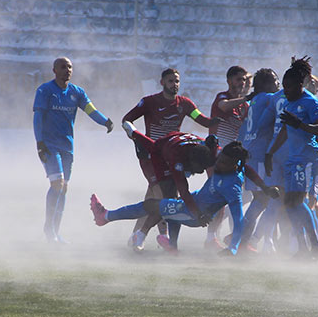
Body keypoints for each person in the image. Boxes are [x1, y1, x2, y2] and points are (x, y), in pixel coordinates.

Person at [91, 142, 279, 255]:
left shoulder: (232, 186)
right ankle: (171, 246)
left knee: (151, 206)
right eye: (219, 159)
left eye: (222, 162)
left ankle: (106, 216)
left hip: (193, 215)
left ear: (233, 165)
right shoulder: (237, 168)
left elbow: (238, 219)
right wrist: (265, 187)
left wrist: (233, 248)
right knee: (165, 206)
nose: (217, 164)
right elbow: (248, 170)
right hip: (190, 205)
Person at [121, 68, 218, 247]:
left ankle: (136, 236)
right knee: (164, 194)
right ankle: (163, 236)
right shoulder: (149, 102)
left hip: (172, 156)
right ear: (162, 83)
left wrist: (215, 120)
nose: (175, 85)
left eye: (177, 81)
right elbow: (126, 120)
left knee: (153, 196)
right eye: (171, 81)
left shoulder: (185, 104)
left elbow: (203, 120)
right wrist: (135, 136)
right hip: (151, 155)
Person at [33, 56, 113, 244]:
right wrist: (40, 143)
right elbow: (37, 118)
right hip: (49, 145)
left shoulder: (77, 92)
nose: (67, 70)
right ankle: (49, 229)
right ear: (54, 70)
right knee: (57, 183)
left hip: (68, 146)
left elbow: (91, 110)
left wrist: (105, 121)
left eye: (69, 67)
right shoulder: (45, 90)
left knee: (64, 188)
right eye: (63, 67)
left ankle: (56, 232)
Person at [106, 122, 219, 251]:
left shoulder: (209, 149)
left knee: (159, 200)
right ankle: (148, 236)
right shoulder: (176, 160)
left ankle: (134, 133)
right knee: (170, 203)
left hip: (177, 141)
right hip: (160, 154)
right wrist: (198, 214)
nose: (199, 172)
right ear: (190, 162)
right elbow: (184, 192)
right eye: (198, 168)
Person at [265, 57, 318, 260]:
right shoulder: (290, 101)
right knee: (290, 203)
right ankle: (303, 249)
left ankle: (316, 248)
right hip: (293, 158)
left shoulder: (310, 102)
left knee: (296, 201)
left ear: (300, 85)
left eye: (289, 87)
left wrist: (300, 124)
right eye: (284, 87)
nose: (286, 91)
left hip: (308, 158)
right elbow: (284, 129)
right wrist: (270, 152)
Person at [205, 65, 251, 248]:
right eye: (239, 79)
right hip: (216, 155)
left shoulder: (245, 106)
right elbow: (223, 106)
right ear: (229, 81)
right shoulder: (222, 97)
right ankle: (211, 239)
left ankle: (231, 237)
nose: (242, 83)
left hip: (233, 159)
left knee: (238, 198)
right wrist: (246, 98)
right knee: (222, 199)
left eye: (245, 80)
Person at [235, 68, 281, 249]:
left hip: (251, 153)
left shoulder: (255, 100)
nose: (279, 85)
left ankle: (243, 239)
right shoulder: (269, 98)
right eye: (276, 81)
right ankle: (242, 240)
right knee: (264, 199)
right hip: (260, 155)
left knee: (261, 199)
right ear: (267, 84)